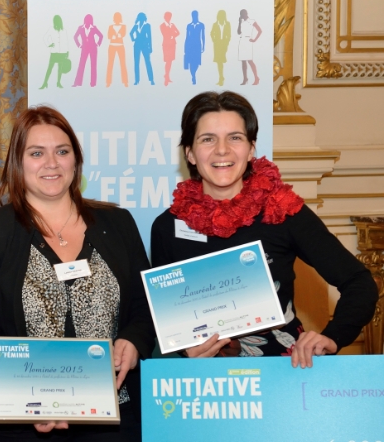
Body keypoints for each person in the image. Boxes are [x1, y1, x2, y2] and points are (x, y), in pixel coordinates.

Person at [0, 106, 154, 441]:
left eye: (62, 151)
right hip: (18, 420)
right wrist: (31, 400)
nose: (51, 163)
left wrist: (133, 340)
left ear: (75, 161)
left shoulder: (118, 224)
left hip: (111, 414)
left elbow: (145, 305)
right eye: (37, 153)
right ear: (18, 163)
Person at [150, 91, 377, 365]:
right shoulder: (168, 226)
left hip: (281, 372)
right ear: (190, 154)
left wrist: (333, 336)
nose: (222, 149)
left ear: (251, 149)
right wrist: (181, 351)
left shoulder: (281, 210)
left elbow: (360, 283)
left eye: (235, 138)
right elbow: (163, 320)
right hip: (204, 383)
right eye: (207, 139)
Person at [72, 14, 103, 87]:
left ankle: (93, 83)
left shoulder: (94, 28)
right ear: (85, 20)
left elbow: (101, 36)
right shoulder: (80, 28)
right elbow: (75, 37)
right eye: (87, 20)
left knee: (93, 65)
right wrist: (79, 45)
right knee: (81, 65)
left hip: (93, 48)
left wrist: (97, 44)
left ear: (91, 21)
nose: (88, 21)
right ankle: (77, 82)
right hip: (84, 48)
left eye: (89, 20)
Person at [40, 15, 70, 89]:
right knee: (50, 68)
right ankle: (45, 83)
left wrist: (67, 52)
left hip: (62, 53)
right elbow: (45, 37)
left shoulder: (64, 30)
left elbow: (66, 41)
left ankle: (58, 83)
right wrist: (49, 44)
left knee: (60, 68)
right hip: (54, 52)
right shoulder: (51, 29)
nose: (56, 23)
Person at [237, 9, 262, 85]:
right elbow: (238, 32)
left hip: (248, 41)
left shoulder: (252, 21)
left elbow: (260, 30)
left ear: (246, 13)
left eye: (244, 14)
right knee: (243, 61)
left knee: (250, 61)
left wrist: (254, 39)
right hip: (242, 41)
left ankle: (256, 77)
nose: (243, 15)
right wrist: (239, 22)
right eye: (241, 14)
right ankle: (245, 78)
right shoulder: (242, 22)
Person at [130, 12, 154, 86]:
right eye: (140, 18)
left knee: (147, 62)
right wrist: (133, 39)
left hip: (144, 45)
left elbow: (149, 36)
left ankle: (151, 79)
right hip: (137, 45)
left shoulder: (147, 25)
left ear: (144, 18)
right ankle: (137, 80)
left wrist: (150, 46)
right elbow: (131, 33)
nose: (141, 19)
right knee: (136, 63)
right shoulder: (136, 26)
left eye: (142, 18)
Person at [106, 12, 129, 88]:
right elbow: (108, 35)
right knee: (110, 64)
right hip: (112, 46)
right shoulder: (110, 27)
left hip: (120, 46)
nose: (116, 20)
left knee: (123, 64)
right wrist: (112, 36)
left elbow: (124, 34)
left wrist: (120, 35)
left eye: (118, 18)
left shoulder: (123, 26)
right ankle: (108, 82)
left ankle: (125, 81)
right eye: (115, 18)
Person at [210, 10, 231, 86]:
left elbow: (229, 34)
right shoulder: (215, 24)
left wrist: (227, 41)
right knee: (219, 61)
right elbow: (212, 33)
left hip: (224, 44)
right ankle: (221, 77)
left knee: (222, 60)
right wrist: (214, 40)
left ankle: (222, 77)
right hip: (217, 44)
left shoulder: (227, 24)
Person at [184, 10, 205, 85]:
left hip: (198, 45)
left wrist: (203, 46)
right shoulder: (189, 25)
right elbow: (187, 36)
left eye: (195, 15)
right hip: (190, 45)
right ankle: (193, 76)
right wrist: (185, 47)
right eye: (193, 15)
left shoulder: (201, 25)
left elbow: (203, 36)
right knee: (191, 62)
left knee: (196, 62)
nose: (194, 17)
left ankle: (194, 74)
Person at [160, 11, 180, 86]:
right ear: (165, 17)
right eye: (168, 17)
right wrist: (172, 34)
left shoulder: (172, 25)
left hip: (172, 44)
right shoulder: (162, 25)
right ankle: (166, 76)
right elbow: (165, 34)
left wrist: (173, 36)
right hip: (166, 45)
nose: (169, 18)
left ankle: (167, 76)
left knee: (170, 61)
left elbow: (178, 32)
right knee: (167, 61)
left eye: (170, 17)